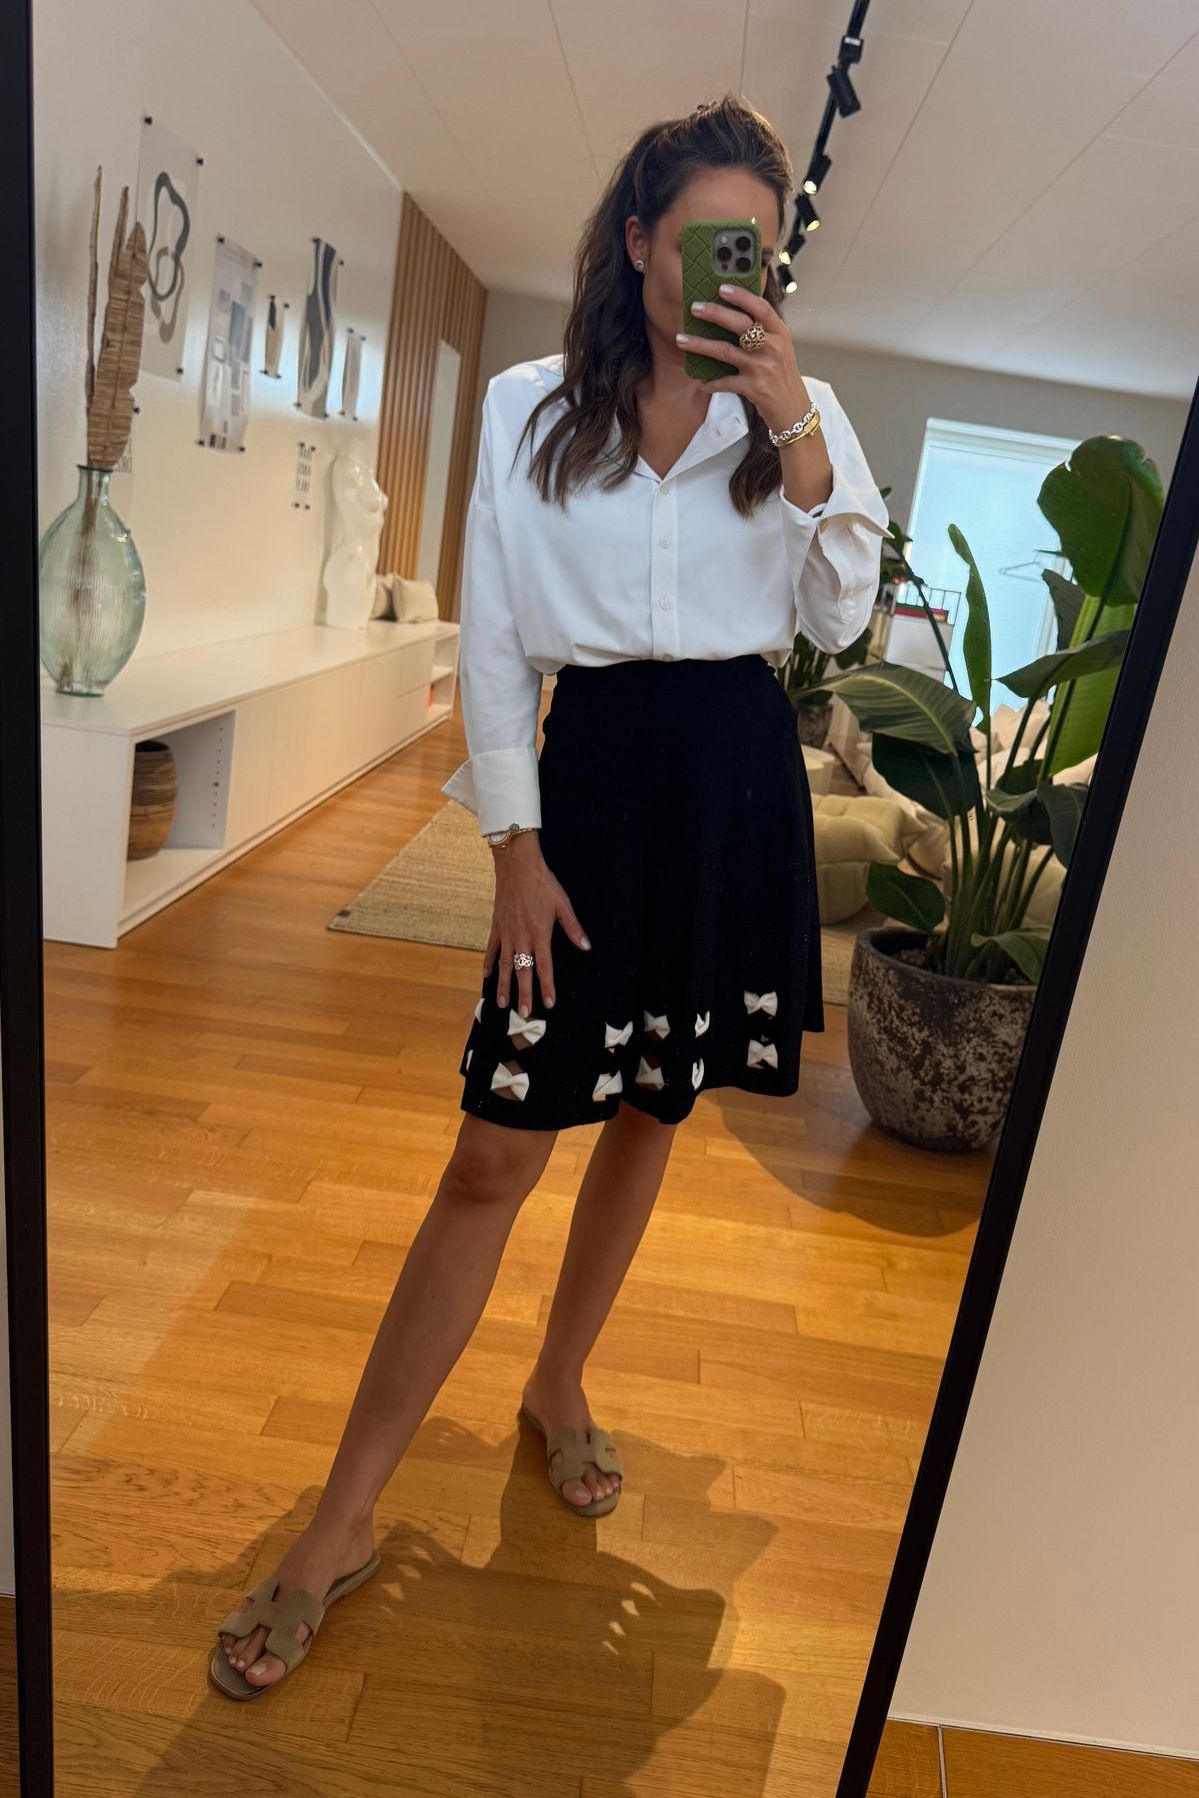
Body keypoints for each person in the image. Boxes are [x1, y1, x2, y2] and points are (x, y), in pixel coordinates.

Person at [212, 93, 889, 1696]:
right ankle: (341, 1517)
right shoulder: (531, 407)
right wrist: (512, 846)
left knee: (653, 1108)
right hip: (586, 789)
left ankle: (558, 1379)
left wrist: (793, 420)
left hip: (731, 782)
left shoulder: (800, 416)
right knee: (493, 1148)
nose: (729, 269)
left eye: (757, 247)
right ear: (641, 240)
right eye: (705, 237)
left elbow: (841, 618)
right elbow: (503, 644)